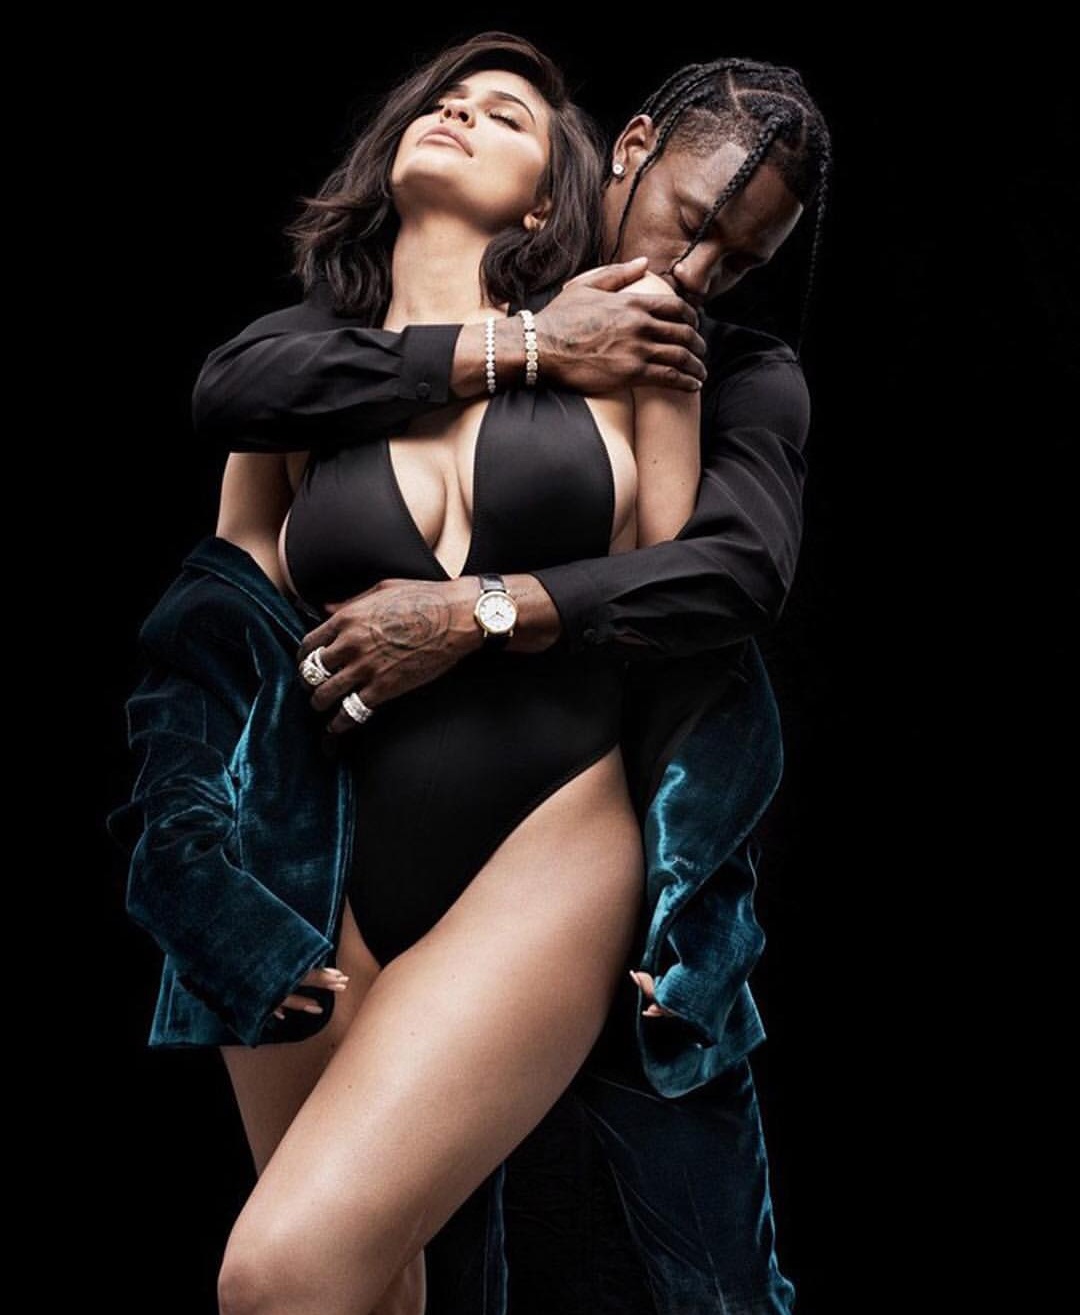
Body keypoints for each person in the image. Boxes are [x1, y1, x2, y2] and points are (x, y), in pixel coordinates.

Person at [186, 52, 831, 1314]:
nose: (701, 271)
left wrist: (476, 611)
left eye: (740, 261)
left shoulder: (703, 360)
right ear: (629, 150)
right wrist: (524, 341)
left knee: (290, 1271)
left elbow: (726, 573)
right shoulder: (369, 337)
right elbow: (236, 426)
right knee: (369, 1284)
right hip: (319, 847)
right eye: (694, 224)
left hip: (557, 836)